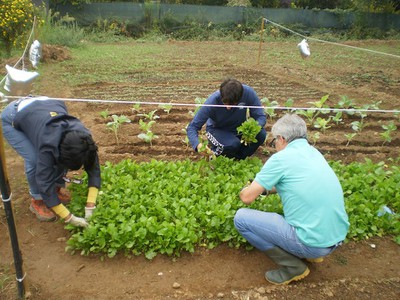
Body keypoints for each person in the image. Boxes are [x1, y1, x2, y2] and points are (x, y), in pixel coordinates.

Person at [234, 113, 349, 285]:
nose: (275, 146)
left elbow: (247, 197)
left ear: (281, 138)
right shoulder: (314, 153)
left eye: (274, 142)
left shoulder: (281, 158)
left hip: (312, 243)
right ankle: (313, 255)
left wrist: (246, 189)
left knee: (241, 218)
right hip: (336, 237)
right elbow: (291, 183)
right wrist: (265, 190)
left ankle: (293, 266)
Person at [1, 96, 101, 227]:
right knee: (35, 160)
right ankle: (37, 200)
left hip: (43, 108)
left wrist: (90, 205)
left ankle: (57, 190)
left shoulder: (84, 140)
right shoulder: (48, 144)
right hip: (13, 117)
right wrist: (69, 217)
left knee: (62, 158)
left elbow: (94, 169)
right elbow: (44, 180)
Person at [186, 78, 267, 160]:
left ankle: (239, 158)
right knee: (233, 144)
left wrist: (253, 128)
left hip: (239, 129)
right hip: (217, 130)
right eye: (225, 103)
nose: (228, 107)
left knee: (261, 134)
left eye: (232, 104)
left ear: (240, 97)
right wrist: (197, 145)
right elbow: (192, 127)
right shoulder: (212, 101)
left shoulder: (248, 93)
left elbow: (260, 116)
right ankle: (214, 156)